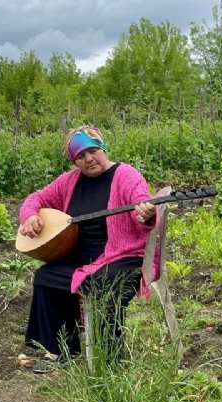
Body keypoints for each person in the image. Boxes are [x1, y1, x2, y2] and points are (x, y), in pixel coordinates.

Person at [18, 125, 157, 373]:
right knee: (45, 277)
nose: (88, 159)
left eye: (92, 151)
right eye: (80, 156)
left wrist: (145, 214)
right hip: (82, 258)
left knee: (103, 285)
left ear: (102, 148)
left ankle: (110, 359)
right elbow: (36, 198)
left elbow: (140, 201)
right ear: (75, 161)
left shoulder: (126, 175)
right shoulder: (69, 181)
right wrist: (28, 215)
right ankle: (62, 350)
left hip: (122, 256)